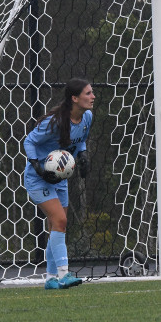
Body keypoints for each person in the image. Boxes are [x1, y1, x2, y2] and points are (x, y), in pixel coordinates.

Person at [24, 78, 94, 290]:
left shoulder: (87, 117)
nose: (93, 97)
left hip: (59, 179)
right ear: (75, 98)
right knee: (60, 220)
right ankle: (64, 274)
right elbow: (29, 141)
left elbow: (80, 139)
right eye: (88, 93)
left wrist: (82, 155)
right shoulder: (54, 122)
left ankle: (51, 279)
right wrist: (37, 166)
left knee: (57, 225)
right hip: (38, 179)